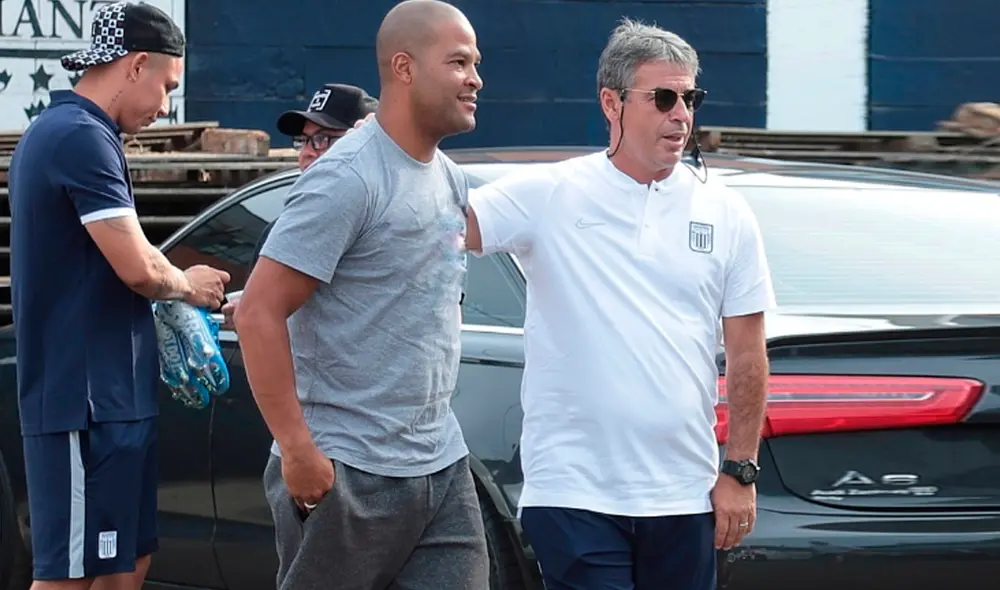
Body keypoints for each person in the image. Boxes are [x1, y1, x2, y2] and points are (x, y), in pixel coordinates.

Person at [464, 18, 775, 590]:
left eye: (690, 98)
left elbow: (748, 353)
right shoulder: (550, 192)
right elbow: (437, 225)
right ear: (612, 102)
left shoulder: (726, 212)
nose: (680, 115)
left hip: (685, 492)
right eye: (662, 98)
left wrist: (740, 470)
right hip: (573, 491)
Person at [232, 1, 488, 589]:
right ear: (405, 67)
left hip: (439, 463)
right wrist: (298, 451)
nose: (476, 78)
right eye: (458, 62)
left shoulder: (450, 176)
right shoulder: (346, 178)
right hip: (347, 469)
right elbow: (258, 312)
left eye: (475, 63)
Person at [7, 3, 230, 589]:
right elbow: (137, 267)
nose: (165, 106)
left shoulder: (81, 134)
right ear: (136, 65)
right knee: (69, 579)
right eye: (167, 85)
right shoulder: (78, 136)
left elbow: (121, 259)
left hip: (111, 400)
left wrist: (166, 292)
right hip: (82, 403)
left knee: (126, 568)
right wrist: (190, 288)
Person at [252, 83, 379, 266]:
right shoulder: (282, 233)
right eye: (303, 140)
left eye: (323, 139)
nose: (306, 152)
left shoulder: (392, 231)